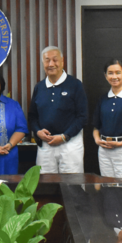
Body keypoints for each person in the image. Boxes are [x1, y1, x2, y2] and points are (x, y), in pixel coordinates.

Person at [28, 46, 88, 174]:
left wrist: (64, 136)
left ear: (62, 61)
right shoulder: (39, 87)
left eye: (55, 60)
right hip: (46, 145)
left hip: (70, 144)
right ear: (43, 63)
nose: (51, 64)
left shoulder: (75, 85)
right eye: (47, 60)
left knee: (72, 187)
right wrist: (38, 132)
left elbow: (83, 117)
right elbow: (32, 116)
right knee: (47, 186)